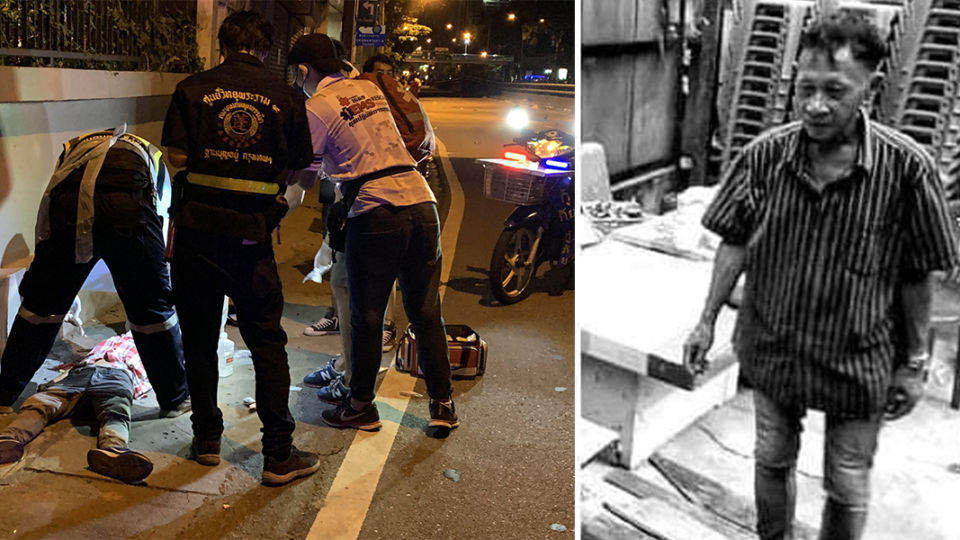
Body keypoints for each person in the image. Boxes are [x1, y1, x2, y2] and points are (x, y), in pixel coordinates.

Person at [684, 13, 959, 540]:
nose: (815, 105)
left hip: (859, 358)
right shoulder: (763, 158)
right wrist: (705, 321)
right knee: (771, 458)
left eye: (835, 90)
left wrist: (916, 363)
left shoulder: (908, 170)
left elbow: (917, 274)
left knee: (848, 481)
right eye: (805, 88)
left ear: (871, 88)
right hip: (775, 346)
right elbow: (734, 242)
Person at [161, 10, 320, 486]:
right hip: (251, 240)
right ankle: (277, 455)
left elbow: (176, 160)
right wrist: (271, 212)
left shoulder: (193, 88)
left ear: (222, 45)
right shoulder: (288, 97)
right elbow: (299, 170)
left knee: (200, 337)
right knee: (267, 342)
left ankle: (207, 439)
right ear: (267, 50)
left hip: (196, 236)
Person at [287, 33, 457, 434]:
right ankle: (443, 403)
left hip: (377, 212)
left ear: (303, 71)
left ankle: (360, 405)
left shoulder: (317, 107)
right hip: (422, 203)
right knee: (427, 313)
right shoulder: (368, 89)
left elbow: (304, 179)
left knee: (367, 315)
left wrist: (273, 213)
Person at [0, 127, 190, 419]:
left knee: (41, 307)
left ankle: (5, 393)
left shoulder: (72, 151)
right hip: (130, 207)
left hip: (70, 206)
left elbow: (49, 207)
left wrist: (48, 269)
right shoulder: (152, 156)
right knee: (153, 311)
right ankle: (175, 398)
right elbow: (159, 220)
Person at [0, 333, 156, 484]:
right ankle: (9, 438)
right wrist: (52, 383)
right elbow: (80, 363)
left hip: (118, 374)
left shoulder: (156, 348)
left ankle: (114, 450)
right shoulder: (114, 339)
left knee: (115, 410)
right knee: (42, 401)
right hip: (82, 372)